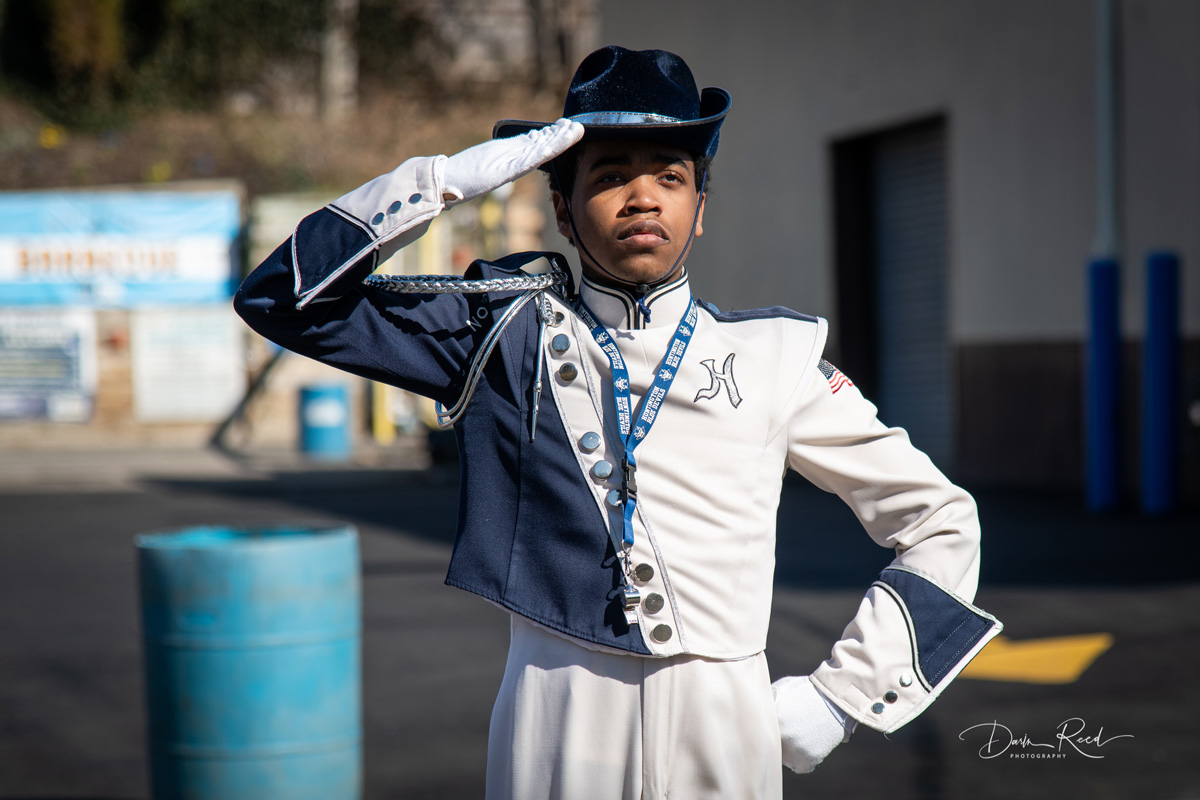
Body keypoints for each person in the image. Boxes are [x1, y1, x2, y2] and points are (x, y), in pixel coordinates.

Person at [235, 45, 1001, 799]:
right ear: (562, 212)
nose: (644, 197)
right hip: (557, 711)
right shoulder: (498, 335)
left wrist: (841, 698)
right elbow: (281, 301)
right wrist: (439, 182)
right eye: (609, 177)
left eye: (671, 176)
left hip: (723, 721)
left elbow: (941, 520)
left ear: (701, 209)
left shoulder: (778, 355)